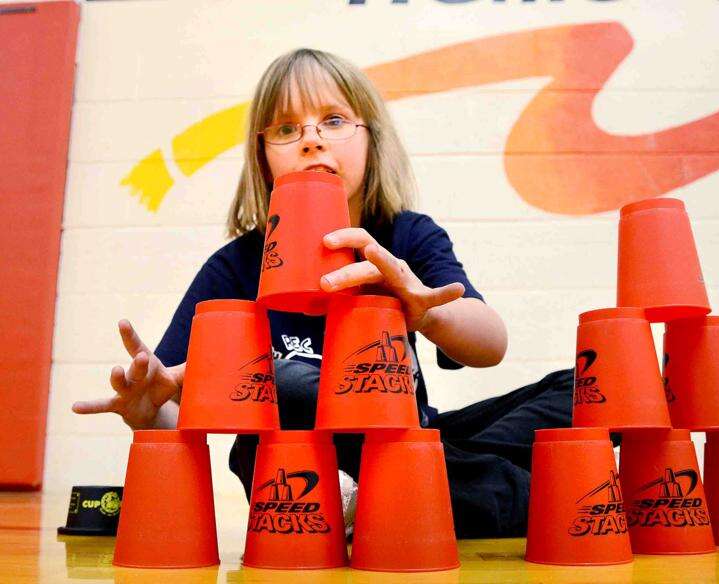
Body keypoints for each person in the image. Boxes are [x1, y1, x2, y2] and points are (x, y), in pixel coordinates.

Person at [73, 48, 573, 538]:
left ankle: (417, 494)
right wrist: (147, 416)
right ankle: (522, 494)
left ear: (371, 140)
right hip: (305, 464)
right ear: (263, 158)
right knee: (281, 388)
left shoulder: (404, 236)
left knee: (581, 389)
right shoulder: (237, 267)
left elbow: (491, 345)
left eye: (334, 120)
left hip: (416, 440)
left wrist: (425, 313)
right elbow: (175, 403)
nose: (311, 139)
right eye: (287, 129)